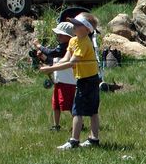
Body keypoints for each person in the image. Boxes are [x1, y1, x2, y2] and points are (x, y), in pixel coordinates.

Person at [40, 12, 101, 150]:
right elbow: (66, 59)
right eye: (73, 23)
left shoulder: (84, 43)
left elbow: (72, 63)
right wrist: (51, 66)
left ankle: (75, 141)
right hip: (82, 79)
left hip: (89, 80)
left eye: (77, 24)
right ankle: (93, 139)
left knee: (80, 110)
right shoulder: (73, 41)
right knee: (86, 110)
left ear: (86, 29)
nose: (73, 25)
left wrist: (50, 69)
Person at [33, 22, 77, 131]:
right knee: (56, 104)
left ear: (69, 37)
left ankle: (78, 124)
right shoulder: (61, 48)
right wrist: (43, 57)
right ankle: (55, 125)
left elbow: (51, 53)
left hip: (68, 82)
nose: (58, 36)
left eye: (61, 34)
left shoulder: (66, 48)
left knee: (69, 105)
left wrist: (39, 46)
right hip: (59, 82)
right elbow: (53, 61)